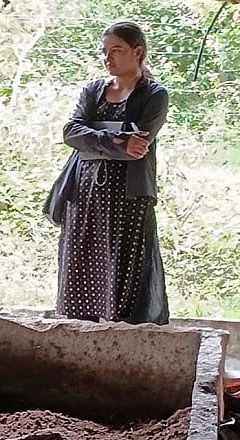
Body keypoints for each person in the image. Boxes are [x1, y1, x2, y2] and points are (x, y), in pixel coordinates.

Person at [57, 20, 170, 324]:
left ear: (138, 52)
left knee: (124, 266)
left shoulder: (154, 95)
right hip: (84, 193)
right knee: (82, 261)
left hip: (128, 196)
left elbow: (139, 145)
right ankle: (78, 328)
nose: (108, 58)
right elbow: (71, 132)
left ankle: (121, 334)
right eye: (105, 51)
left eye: (117, 50)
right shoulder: (94, 91)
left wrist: (94, 140)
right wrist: (115, 141)